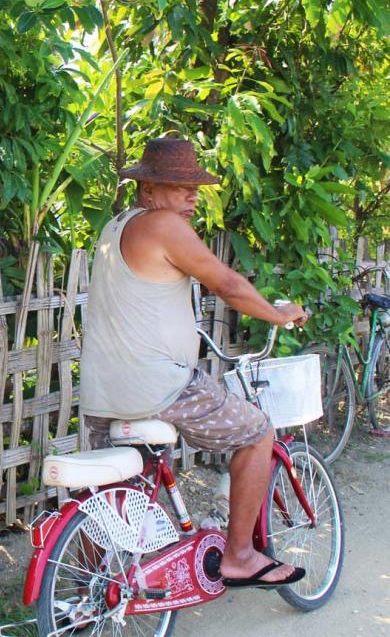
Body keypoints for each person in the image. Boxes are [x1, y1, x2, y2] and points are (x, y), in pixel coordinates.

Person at [79, 136, 309, 589]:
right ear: (148, 191)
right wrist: (279, 314)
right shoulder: (163, 226)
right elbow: (228, 285)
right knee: (259, 433)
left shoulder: (116, 228)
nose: (191, 196)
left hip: (101, 391)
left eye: (194, 188)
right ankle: (240, 555)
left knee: (108, 491)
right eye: (179, 186)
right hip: (158, 386)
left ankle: (87, 587)